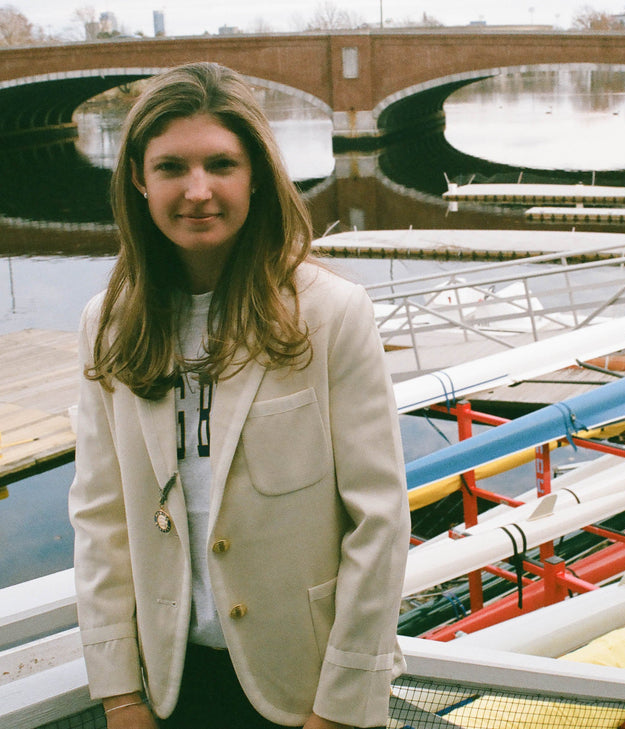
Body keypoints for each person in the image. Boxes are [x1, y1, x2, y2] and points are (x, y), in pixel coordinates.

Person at [68, 62, 410, 729]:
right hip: (170, 685)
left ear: (257, 173)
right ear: (139, 178)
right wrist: (119, 692)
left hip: (302, 690)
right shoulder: (106, 323)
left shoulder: (331, 315)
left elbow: (380, 519)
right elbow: (100, 519)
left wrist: (338, 707)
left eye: (220, 164)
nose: (198, 191)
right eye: (171, 167)